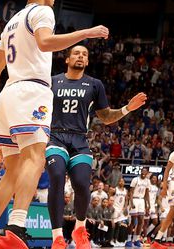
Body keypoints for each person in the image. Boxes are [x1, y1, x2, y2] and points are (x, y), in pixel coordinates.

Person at [0, 0, 109, 249]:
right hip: (31, 92)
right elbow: (46, 43)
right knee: (35, 158)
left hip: (8, 96)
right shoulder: (43, 12)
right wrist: (87, 33)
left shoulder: (11, 22)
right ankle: (17, 227)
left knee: (12, 172)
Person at [45, 45, 146, 249]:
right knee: (56, 176)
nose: (80, 56)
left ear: (88, 61)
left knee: (82, 184)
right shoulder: (52, 81)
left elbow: (106, 116)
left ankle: (80, 229)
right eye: (76, 53)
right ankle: (57, 237)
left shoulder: (94, 84)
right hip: (55, 136)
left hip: (80, 140)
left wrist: (127, 108)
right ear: (67, 59)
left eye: (84, 54)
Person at [129, 168, 152, 247]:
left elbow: (147, 194)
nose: (143, 173)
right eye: (142, 171)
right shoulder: (135, 179)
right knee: (133, 220)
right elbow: (131, 192)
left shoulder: (147, 181)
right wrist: (131, 202)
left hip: (142, 200)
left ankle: (136, 239)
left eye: (145, 172)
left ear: (147, 173)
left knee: (141, 220)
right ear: (140, 172)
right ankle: (129, 240)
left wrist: (148, 205)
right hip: (135, 199)